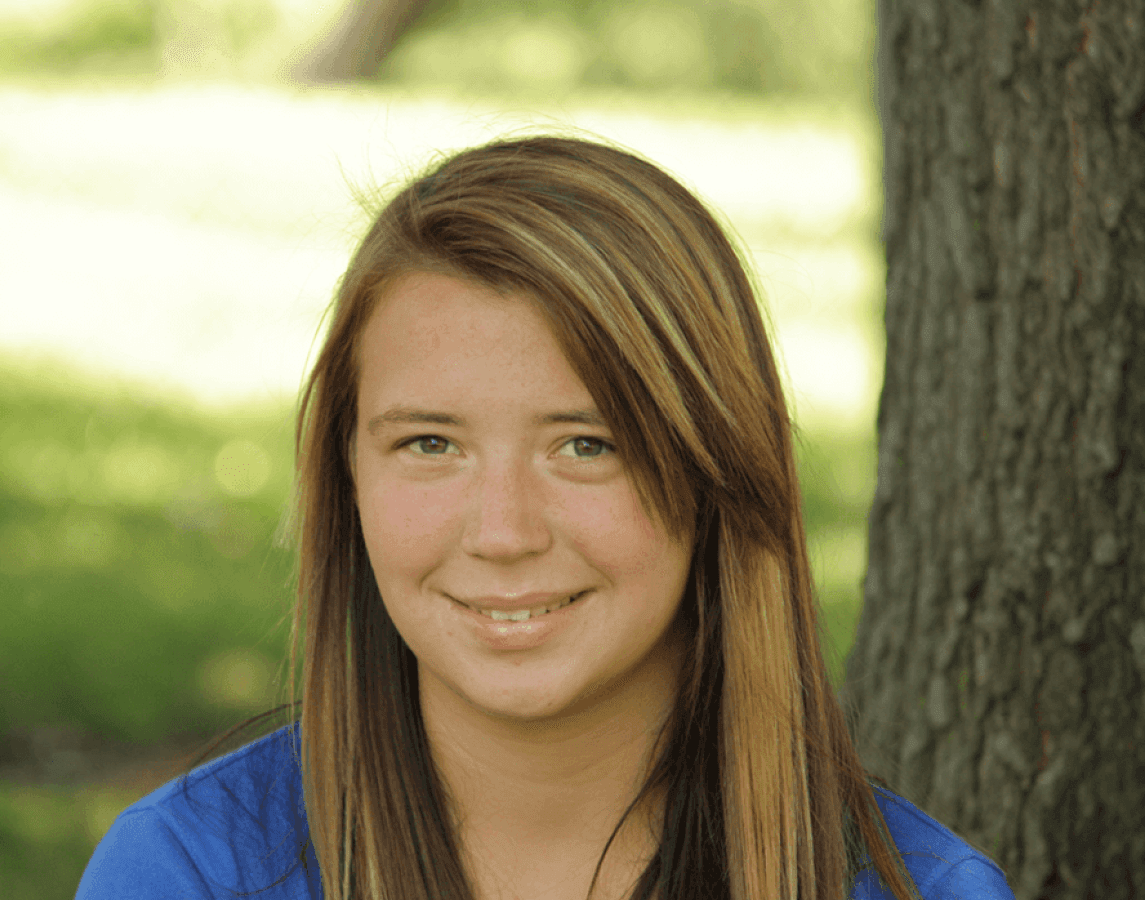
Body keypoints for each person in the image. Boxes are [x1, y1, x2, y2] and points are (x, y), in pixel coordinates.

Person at [74, 136, 1014, 900]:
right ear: (345, 479)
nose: (505, 531)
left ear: (716, 472)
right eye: (431, 445)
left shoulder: (928, 892)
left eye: (587, 446)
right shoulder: (188, 873)